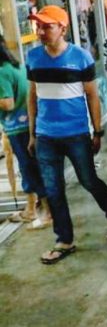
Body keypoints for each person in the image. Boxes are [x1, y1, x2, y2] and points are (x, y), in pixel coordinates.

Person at [26, 5, 107, 264]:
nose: (41, 31)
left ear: (63, 28)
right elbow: (32, 95)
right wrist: (32, 133)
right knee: (53, 188)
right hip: (46, 135)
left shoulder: (81, 57)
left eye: (48, 26)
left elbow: (92, 95)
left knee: (88, 180)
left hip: (76, 132)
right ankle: (64, 240)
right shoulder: (33, 57)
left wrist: (97, 130)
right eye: (39, 26)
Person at [0, 34, 51, 228]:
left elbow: (7, 103)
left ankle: (47, 212)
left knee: (30, 169)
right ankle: (33, 209)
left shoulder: (1, 72)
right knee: (31, 168)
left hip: (18, 128)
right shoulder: (16, 66)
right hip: (29, 125)